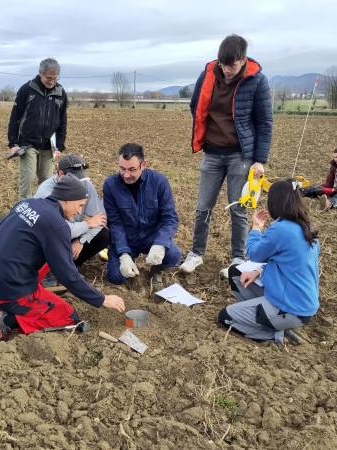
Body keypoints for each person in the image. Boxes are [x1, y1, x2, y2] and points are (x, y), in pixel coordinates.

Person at [0, 174, 125, 347]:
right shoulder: (57, 225)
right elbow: (68, 275)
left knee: (49, 255)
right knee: (69, 318)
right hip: (8, 291)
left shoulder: (27, 203)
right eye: (79, 205)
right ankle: (5, 321)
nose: (80, 212)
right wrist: (101, 299)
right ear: (66, 200)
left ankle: (23, 295)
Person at [180, 34, 273, 277]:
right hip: (212, 152)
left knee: (238, 208)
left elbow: (264, 123)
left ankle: (237, 258)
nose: (226, 69)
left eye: (231, 64)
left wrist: (259, 160)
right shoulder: (209, 73)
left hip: (240, 156)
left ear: (243, 60)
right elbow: (195, 104)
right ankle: (196, 253)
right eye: (223, 64)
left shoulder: (257, 80)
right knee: (203, 207)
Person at [217, 179, 320, 344]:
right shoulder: (306, 226)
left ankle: (276, 333)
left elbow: (253, 253)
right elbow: (289, 263)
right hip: (300, 303)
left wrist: (256, 228)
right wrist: (259, 271)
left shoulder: (282, 229)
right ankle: (268, 319)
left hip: (289, 307)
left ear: (275, 202)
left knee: (226, 317)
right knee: (236, 272)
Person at [103, 143, 180, 288]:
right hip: (128, 238)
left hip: (152, 237)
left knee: (173, 255)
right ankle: (129, 263)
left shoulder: (159, 182)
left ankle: (156, 270)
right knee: (116, 277)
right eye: (122, 169)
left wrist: (160, 243)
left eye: (132, 170)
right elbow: (114, 223)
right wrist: (123, 253)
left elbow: (169, 218)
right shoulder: (110, 185)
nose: (126, 175)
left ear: (143, 165)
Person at [6, 58, 68, 200]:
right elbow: (15, 117)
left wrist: (59, 146)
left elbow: (63, 122)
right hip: (28, 144)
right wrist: (13, 143)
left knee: (46, 182)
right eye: (48, 78)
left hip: (48, 146)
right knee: (27, 180)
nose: (52, 81)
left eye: (55, 78)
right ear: (40, 74)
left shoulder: (60, 93)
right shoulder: (27, 90)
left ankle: (42, 213)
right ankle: (23, 210)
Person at [34, 154, 109, 267]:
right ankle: (51, 267)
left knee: (104, 235)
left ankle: (71, 265)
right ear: (60, 174)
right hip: (51, 236)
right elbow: (59, 230)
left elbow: (100, 219)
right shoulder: (45, 192)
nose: (79, 183)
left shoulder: (84, 184)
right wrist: (88, 224)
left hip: (73, 230)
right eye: (74, 179)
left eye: (80, 179)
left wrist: (81, 241)